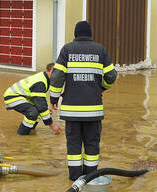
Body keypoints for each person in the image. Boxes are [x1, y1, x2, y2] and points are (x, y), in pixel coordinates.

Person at [49, 21, 117, 181]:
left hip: (72, 112)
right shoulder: (100, 50)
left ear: (75, 34)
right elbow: (112, 75)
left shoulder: (67, 49)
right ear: (90, 34)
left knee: (73, 145)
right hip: (93, 111)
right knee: (92, 144)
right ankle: (91, 178)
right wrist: (103, 87)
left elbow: (57, 77)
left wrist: (53, 98)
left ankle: (75, 179)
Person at [3, 63, 62, 135]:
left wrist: (45, 110)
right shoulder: (40, 83)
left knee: (39, 111)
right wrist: (52, 126)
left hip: (21, 96)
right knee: (33, 112)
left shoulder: (44, 79)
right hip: (12, 96)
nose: (55, 75)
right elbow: (41, 106)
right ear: (47, 71)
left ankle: (30, 130)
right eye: (53, 72)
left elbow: (40, 101)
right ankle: (21, 135)